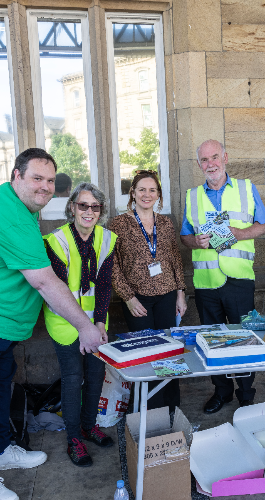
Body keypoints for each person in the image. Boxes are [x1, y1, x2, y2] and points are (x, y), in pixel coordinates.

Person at [0, 149, 102, 500]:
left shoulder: (23, 210)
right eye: (36, 179)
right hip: (12, 325)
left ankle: (2, 452)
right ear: (16, 176)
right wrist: (87, 327)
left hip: (7, 328)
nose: (44, 187)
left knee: (1, 388)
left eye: (49, 181)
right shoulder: (10, 213)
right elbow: (45, 282)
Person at [180, 139, 265, 414]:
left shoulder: (246, 188)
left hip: (239, 279)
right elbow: (185, 236)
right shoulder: (192, 195)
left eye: (215, 157)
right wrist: (196, 242)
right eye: (205, 160)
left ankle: (245, 393)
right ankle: (222, 392)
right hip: (207, 282)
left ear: (226, 158)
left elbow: (264, 225)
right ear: (199, 165)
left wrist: (238, 234)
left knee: (244, 336)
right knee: (211, 338)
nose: (211, 164)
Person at [43, 182, 117, 467]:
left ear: (100, 211)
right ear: (72, 207)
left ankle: (89, 426)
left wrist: (99, 322)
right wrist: (83, 326)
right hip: (64, 322)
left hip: (95, 322)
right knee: (73, 380)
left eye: (95, 207)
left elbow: (105, 285)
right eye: (83, 205)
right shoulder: (56, 240)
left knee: (96, 375)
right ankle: (74, 438)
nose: (89, 211)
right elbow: (59, 289)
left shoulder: (107, 239)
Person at [110, 170, 187, 411]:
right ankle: (149, 409)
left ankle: (171, 406)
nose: (147, 194)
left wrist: (181, 293)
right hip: (137, 299)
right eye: (141, 189)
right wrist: (128, 297)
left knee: (169, 351)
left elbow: (174, 258)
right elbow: (111, 265)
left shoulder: (165, 223)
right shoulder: (119, 224)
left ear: (158, 195)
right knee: (146, 352)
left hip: (167, 295)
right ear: (133, 193)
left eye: (152, 190)